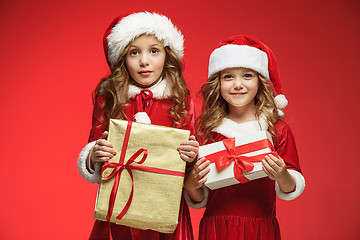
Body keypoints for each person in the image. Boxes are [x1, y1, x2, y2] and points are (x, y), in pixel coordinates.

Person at [77, 12, 199, 240]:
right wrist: (94, 153)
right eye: (134, 52)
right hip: (119, 204)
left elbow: (190, 166)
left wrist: (192, 156)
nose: (144, 61)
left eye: (154, 51)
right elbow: (93, 147)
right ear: (122, 59)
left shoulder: (181, 101)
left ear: (167, 55)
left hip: (166, 209)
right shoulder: (110, 99)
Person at [184, 35, 305, 240]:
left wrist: (281, 174)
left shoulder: (277, 129)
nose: (237, 84)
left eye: (247, 75)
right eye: (228, 77)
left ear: (260, 81)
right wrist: (191, 184)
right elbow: (200, 197)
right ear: (218, 83)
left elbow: (290, 187)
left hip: (260, 229)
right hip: (216, 229)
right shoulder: (208, 131)